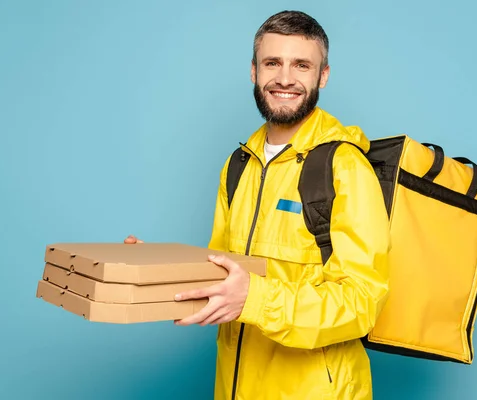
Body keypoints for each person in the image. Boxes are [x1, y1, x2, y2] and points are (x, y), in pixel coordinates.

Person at [125, 10, 391, 400]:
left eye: (302, 65)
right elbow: (221, 275)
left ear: (323, 76)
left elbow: (362, 302)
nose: (285, 78)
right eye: (272, 63)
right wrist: (162, 274)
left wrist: (256, 299)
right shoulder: (238, 166)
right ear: (254, 71)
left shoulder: (344, 166)